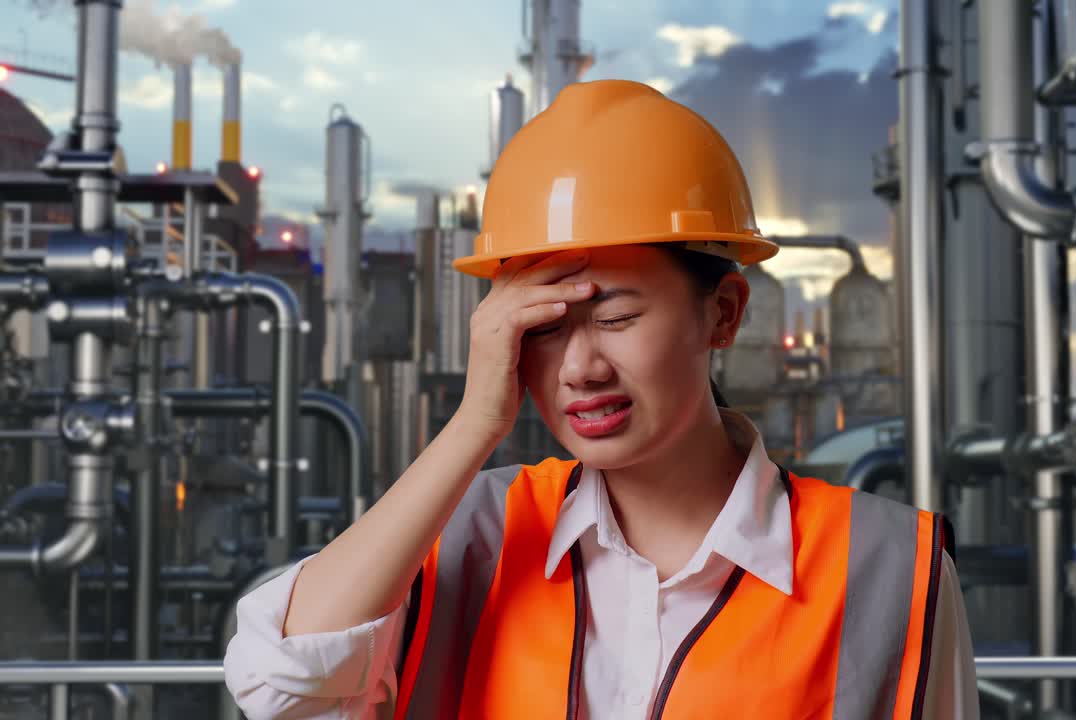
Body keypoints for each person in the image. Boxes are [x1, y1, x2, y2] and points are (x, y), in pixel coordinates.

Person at [224, 79, 978, 719]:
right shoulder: (470, 536)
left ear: (724, 313)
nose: (580, 367)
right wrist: (472, 426)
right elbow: (277, 682)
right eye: (544, 328)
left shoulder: (886, 567)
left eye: (616, 317)